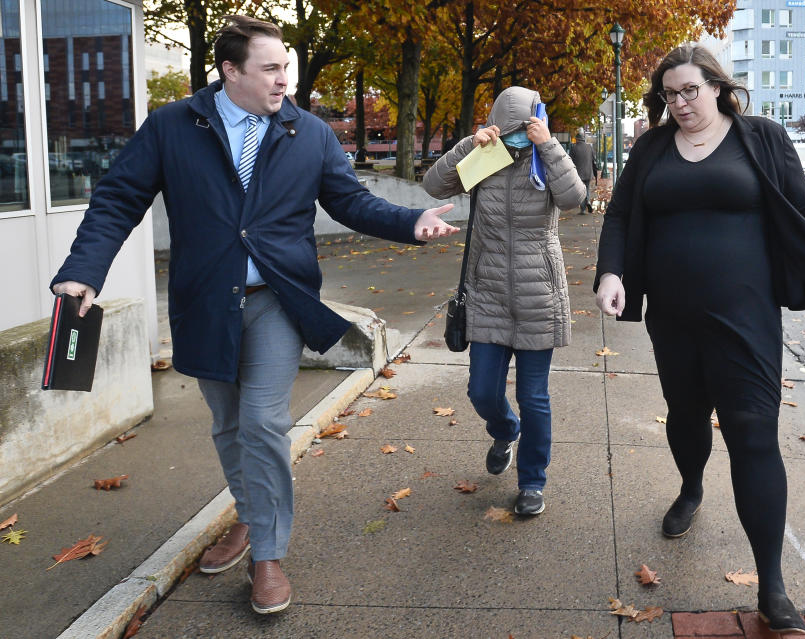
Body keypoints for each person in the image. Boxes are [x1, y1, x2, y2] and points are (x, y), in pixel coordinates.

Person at [50, 15, 457, 615]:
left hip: (277, 299)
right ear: (230, 71)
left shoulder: (308, 132)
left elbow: (350, 200)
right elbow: (118, 198)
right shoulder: (171, 127)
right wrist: (85, 269)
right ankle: (249, 513)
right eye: (270, 69)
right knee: (229, 424)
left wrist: (410, 221)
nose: (283, 81)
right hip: (205, 302)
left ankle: (267, 555)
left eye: (286, 68)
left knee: (263, 422)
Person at [593, 44, 805, 633]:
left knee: (752, 432)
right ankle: (691, 486)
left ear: (718, 87)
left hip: (745, 317)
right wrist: (611, 273)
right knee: (685, 414)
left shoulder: (761, 138)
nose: (680, 103)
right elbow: (619, 215)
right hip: (672, 315)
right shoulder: (651, 148)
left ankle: (772, 586)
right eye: (669, 94)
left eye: (690, 90)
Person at [423, 87, 584, 516]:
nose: (515, 138)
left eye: (522, 129)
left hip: (538, 295)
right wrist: (467, 145)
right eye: (509, 130)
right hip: (488, 292)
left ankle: (532, 482)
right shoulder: (486, 158)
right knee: (481, 392)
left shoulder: (544, 157)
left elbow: (574, 199)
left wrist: (547, 144)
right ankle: (505, 429)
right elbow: (434, 186)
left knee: (535, 398)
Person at [569, 127, 598, 214]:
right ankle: (588, 201)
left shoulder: (574, 148)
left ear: (577, 139)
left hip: (579, 174)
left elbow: (570, 161)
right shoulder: (589, 147)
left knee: (581, 191)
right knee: (587, 189)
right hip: (589, 173)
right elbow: (594, 159)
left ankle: (582, 209)